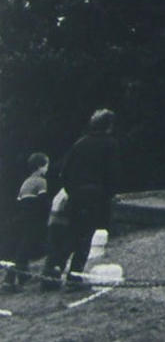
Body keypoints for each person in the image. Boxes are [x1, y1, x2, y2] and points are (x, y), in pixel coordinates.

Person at [43, 110, 118, 285]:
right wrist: (109, 194)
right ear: (109, 126)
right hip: (95, 196)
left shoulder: (80, 143)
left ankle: (54, 270)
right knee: (85, 237)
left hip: (76, 195)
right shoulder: (110, 144)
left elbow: (65, 172)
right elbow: (112, 173)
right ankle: (74, 276)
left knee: (72, 233)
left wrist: (72, 191)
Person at [4, 154, 49, 289]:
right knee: (25, 248)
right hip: (35, 218)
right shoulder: (41, 181)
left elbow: (19, 201)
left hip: (23, 217)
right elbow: (42, 202)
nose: (47, 169)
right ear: (40, 166)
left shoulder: (26, 182)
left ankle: (20, 277)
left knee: (23, 246)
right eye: (46, 166)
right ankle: (11, 279)